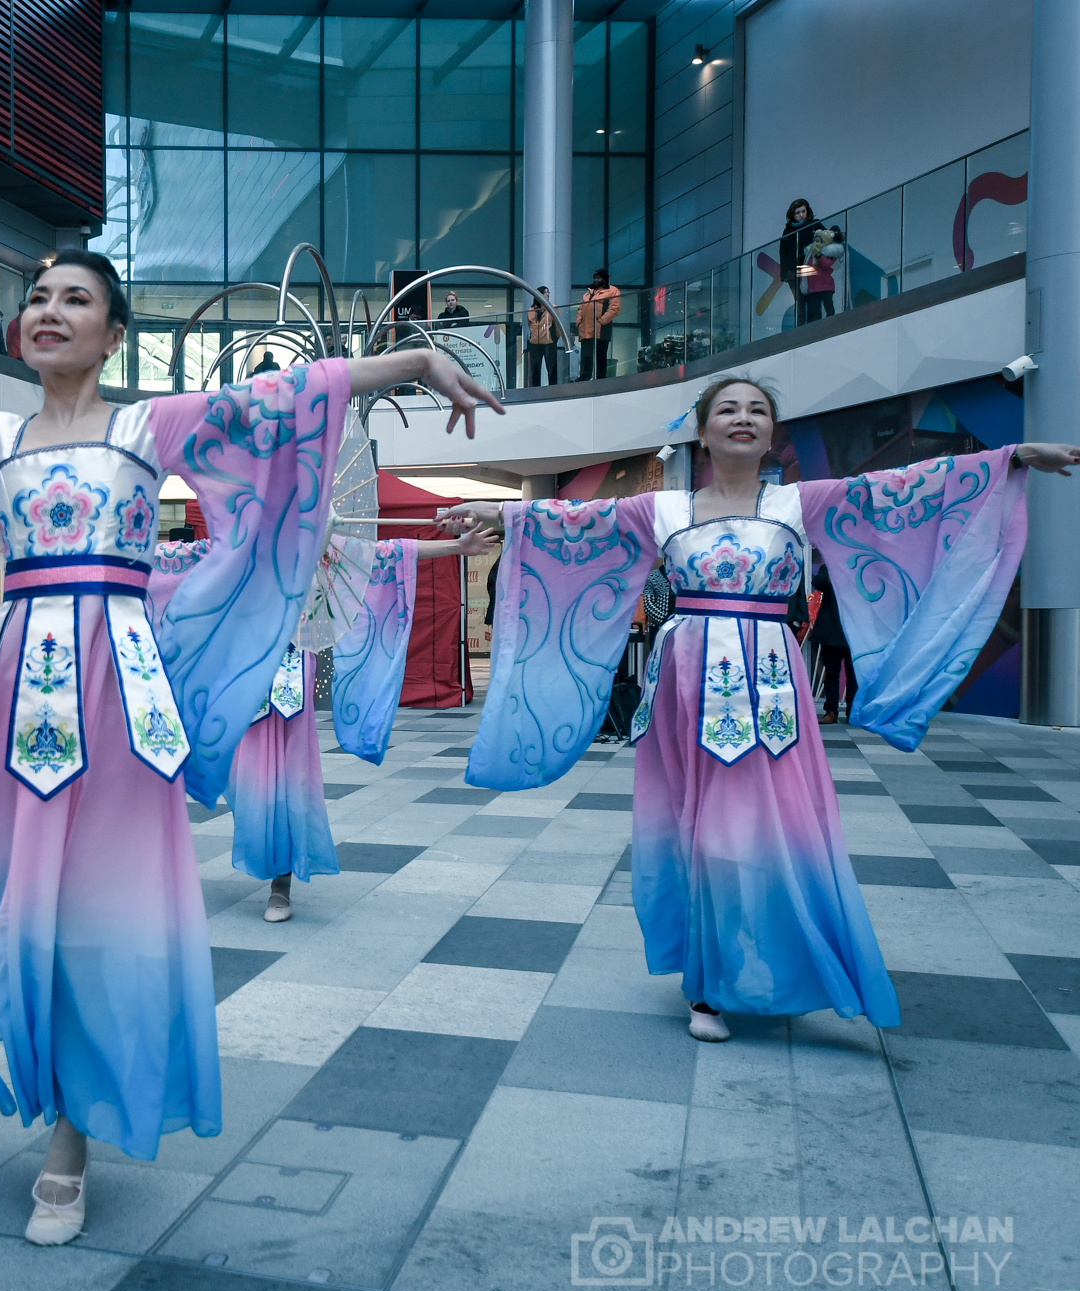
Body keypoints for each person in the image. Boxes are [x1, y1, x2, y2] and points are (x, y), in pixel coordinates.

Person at [0, 248, 500, 1246]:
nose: (48, 311)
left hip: (115, 686)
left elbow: (286, 394)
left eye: (75, 300)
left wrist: (411, 367)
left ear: (113, 336)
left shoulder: (146, 425)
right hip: (11, 672)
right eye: (35, 298)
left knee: (88, 911)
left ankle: (65, 1147)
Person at [444, 376, 1080, 1043]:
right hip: (685, 688)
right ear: (703, 431)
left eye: (757, 410)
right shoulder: (662, 510)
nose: (742, 418)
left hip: (769, 687)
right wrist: (502, 516)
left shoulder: (799, 503)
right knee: (696, 830)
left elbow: (899, 489)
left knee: (767, 830)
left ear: (773, 433)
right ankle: (709, 984)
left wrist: (1007, 460)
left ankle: (779, 960)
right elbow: (574, 523)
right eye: (727, 409)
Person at [153, 531, 491, 923]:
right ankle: (237, 854)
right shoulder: (234, 540)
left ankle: (282, 883)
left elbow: (385, 553)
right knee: (238, 779)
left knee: (288, 778)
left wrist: (455, 547)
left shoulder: (313, 536)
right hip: (237, 673)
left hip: (290, 671)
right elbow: (166, 561)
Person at [779, 199, 843, 327]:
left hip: (810, 267)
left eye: (803, 211)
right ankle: (802, 328)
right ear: (792, 215)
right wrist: (785, 274)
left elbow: (827, 237)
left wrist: (839, 236)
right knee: (800, 301)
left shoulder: (813, 225)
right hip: (795, 270)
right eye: (798, 212)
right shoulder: (787, 231)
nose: (801, 215)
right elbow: (784, 253)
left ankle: (814, 326)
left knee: (813, 297)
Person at [810, 558, 853, 725]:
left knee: (854, 675)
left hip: (855, 629)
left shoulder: (862, 566)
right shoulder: (829, 565)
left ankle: (852, 711)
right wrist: (835, 568)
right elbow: (818, 582)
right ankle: (831, 711)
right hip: (832, 630)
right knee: (831, 673)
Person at [575, 269, 619, 381]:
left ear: (604, 279)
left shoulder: (612, 291)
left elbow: (614, 308)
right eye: (595, 277)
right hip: (586, 329)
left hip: (601, 330)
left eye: (598, 278)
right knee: (586, 356)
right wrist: (579, 321)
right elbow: (581, 308)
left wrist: (602, 321)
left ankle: (600, 377)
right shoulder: (588, 293)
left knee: (601, 355)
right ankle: (585, 375)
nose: (596, 280)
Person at [525, 287, 560, 387]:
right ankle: (536, 389)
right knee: (535, 368)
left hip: (549, 342)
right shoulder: (531, 311)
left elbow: (558, 326)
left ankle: (553, 388)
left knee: (551, 367)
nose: (547, 294)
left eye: (548, 292)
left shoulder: (553, 308)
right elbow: (530, 325)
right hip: (535, 343)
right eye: (545, 293)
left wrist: (554, 338)